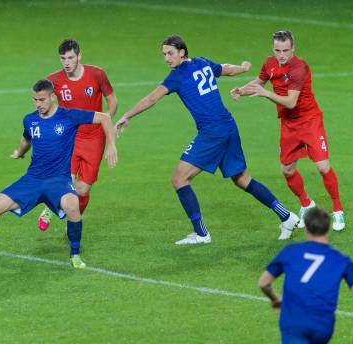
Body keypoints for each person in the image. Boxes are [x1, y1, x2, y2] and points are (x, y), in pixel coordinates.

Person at [115, 35, 300, 243]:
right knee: (242, 179)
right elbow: (225, 68)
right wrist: (243, 68)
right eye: (164, 54)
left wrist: (126, 116)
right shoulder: (202, 62)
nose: (167, 58)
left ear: (182, 52)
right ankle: (287, 217)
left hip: (213, 133)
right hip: (229, 126)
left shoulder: (177, 76)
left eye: (170, 53)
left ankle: (201, 234)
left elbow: (151, 99)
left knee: (179, 179)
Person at [0, 79, 117, 269]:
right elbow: (26, 139)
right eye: (35, 99)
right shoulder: (30, 120)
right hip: (33, 179)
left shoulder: (69, 116)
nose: (38, 104)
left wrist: (111, 145)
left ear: (52, 97)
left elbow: (104, 117)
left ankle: (75, 255)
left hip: (59, 180)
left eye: (42, 99)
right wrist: (20, 153)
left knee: (72, 208)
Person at [231, 30, 345, 231]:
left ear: (293, 48)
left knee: (322, 167)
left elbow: (291, 102)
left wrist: (265, 93)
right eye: (277, 50)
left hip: (310, 121)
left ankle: (337, 210)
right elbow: (259, 82)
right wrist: (242, 89)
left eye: (285, 50)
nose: (281, 54)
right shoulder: (269, 63)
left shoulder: (299, 68)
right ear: (272, 49)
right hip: (288, 124)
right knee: (287, 169)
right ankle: (306, 204)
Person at [37, 38, 118, 231]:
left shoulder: (97, 74)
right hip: (69, 137)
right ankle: (51, 206)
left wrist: (107, 118)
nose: (67, 62)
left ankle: (72, 217)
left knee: (82, 189)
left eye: (70, 57)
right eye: (63, 58)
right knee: (65, 178)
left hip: (95, 137)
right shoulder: (54, 80)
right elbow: (44, 104)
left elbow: (112, 99)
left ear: (79, 56)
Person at [258, 207, 353, 344]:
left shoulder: (290, 252)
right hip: (322, 327)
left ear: (305, 228)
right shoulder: (343, 261)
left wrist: (276, 300)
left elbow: (264, 283)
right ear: (329, 228)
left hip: (294, 324)